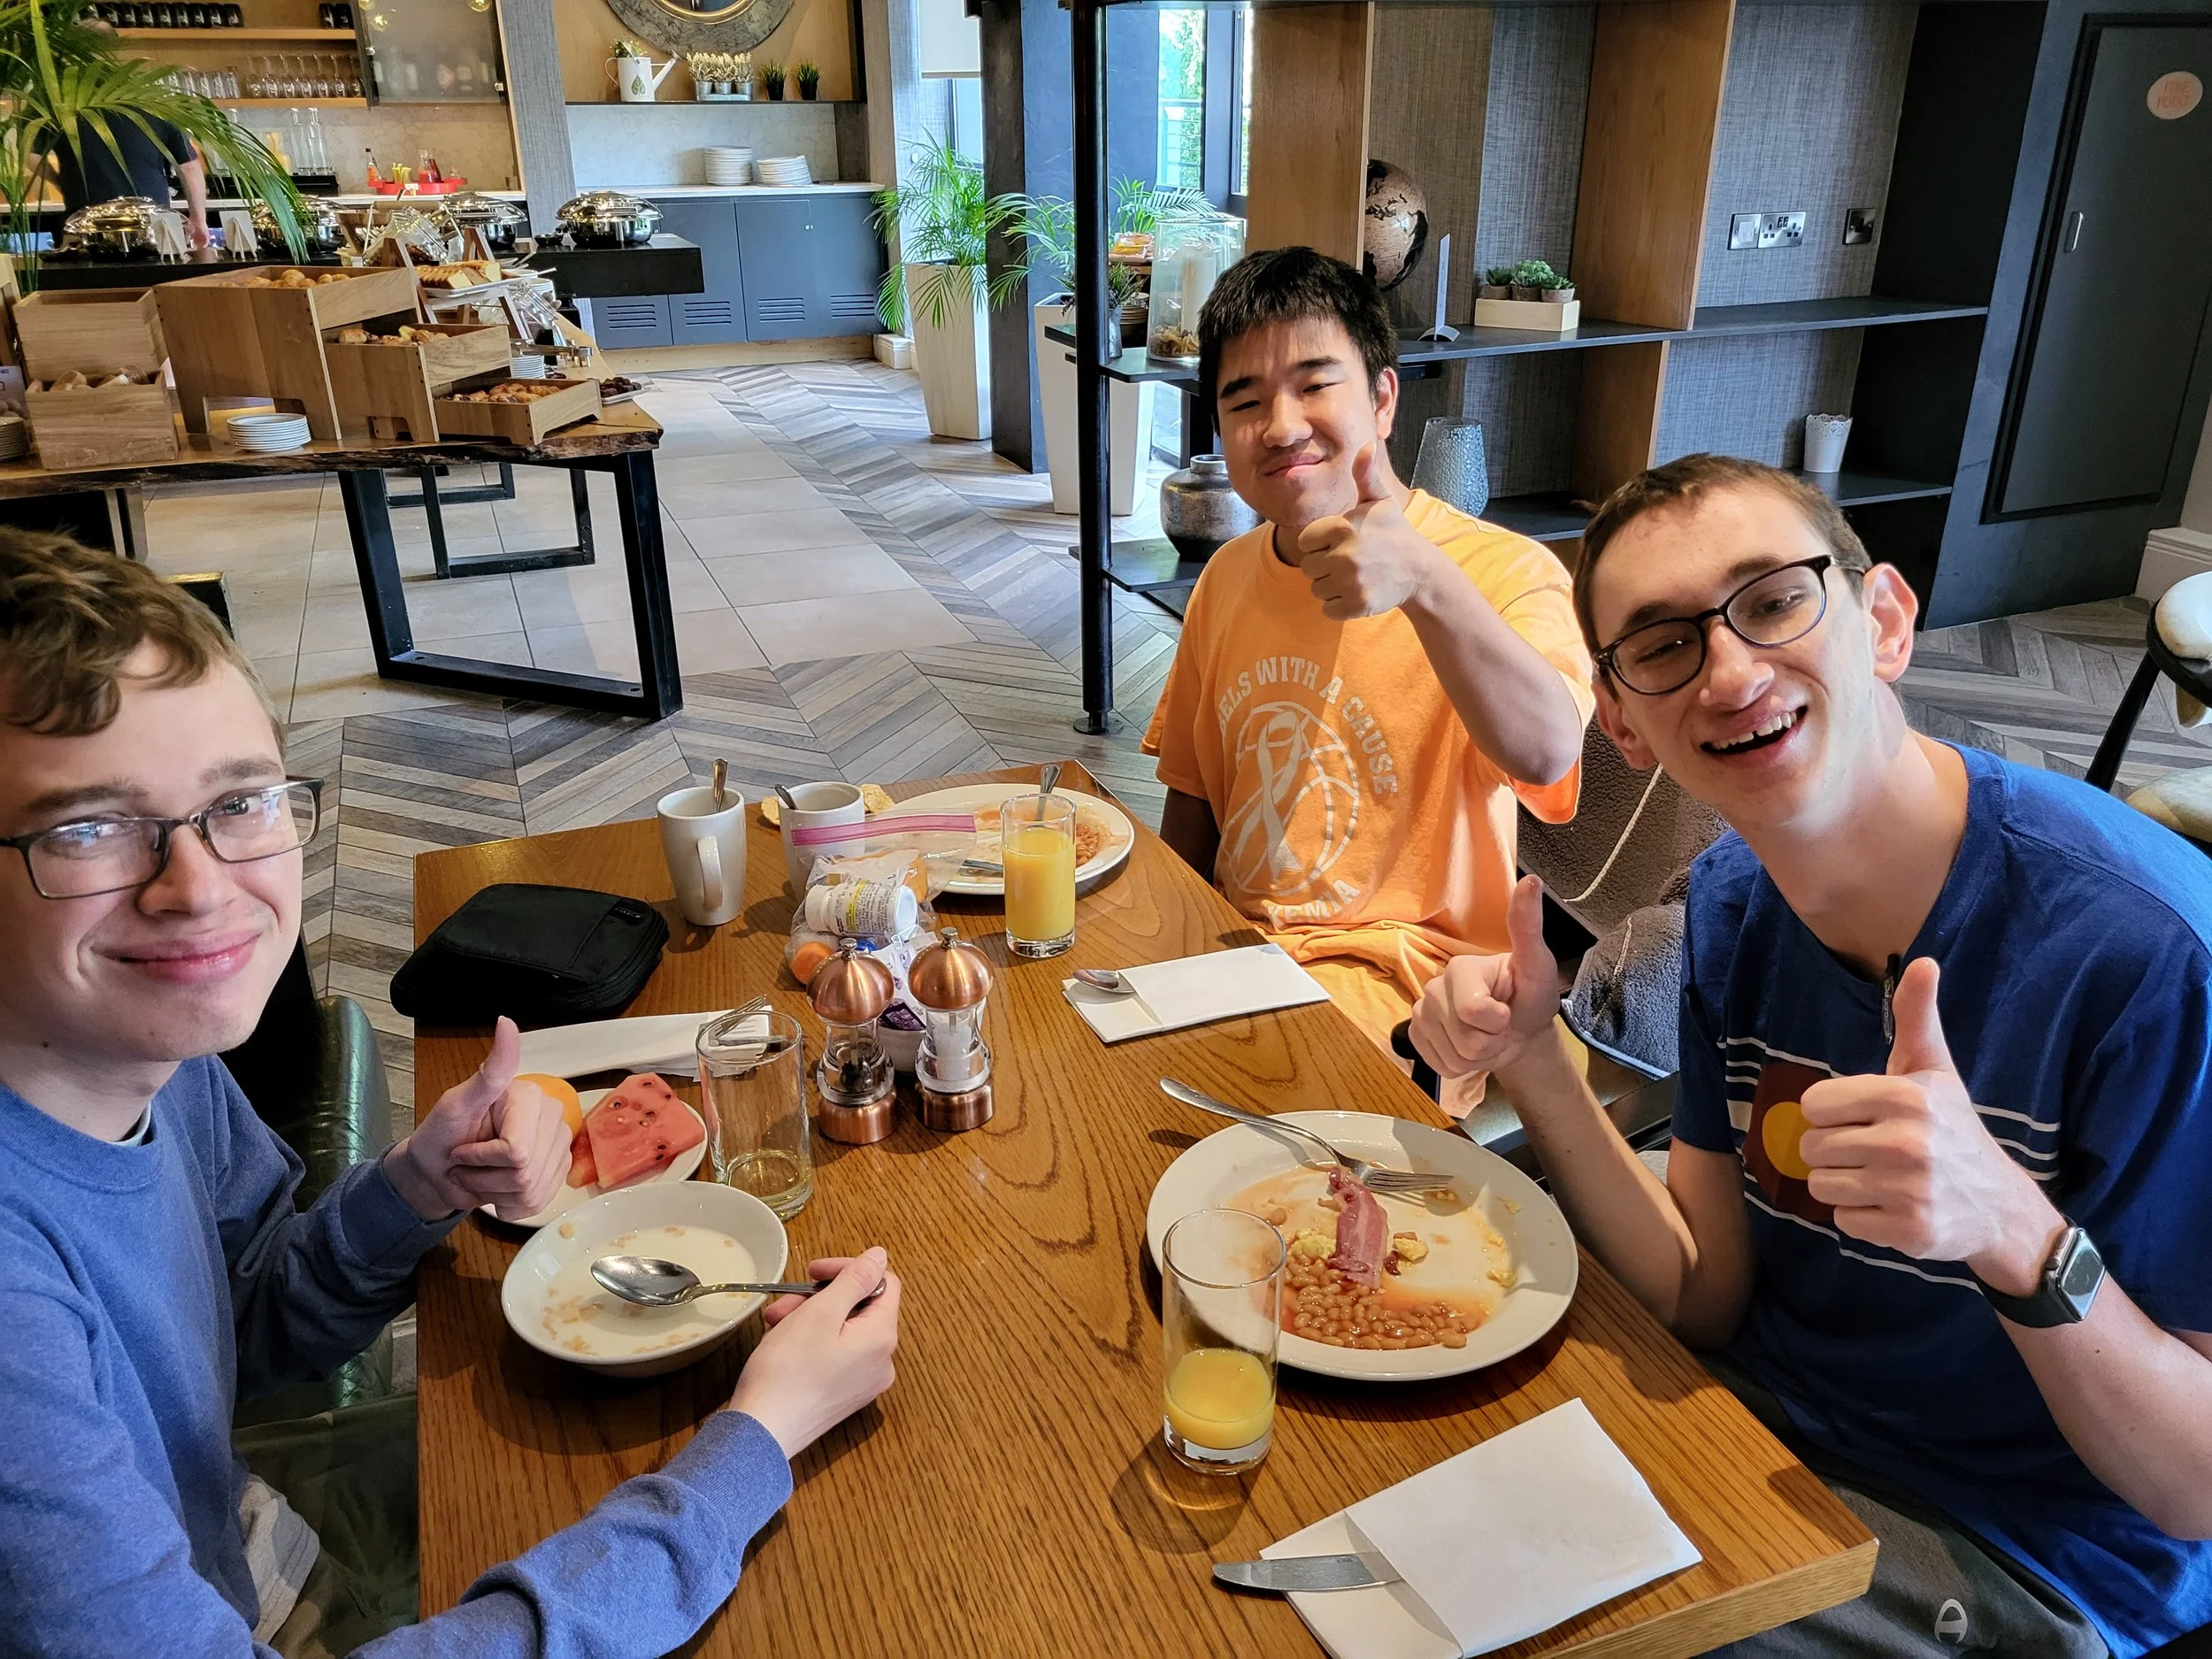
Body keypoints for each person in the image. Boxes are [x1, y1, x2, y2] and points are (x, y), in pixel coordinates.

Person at [0, 528, 903, 1656]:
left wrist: (416, 1188)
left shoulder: (147, 1060)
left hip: (237, 1542)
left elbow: (234, 1331)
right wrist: (754, 1442)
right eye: (89, 828)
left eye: (240, 802)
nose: (197, 888)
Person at [1409, 455, 2212, 1657]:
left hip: (2020, 1551)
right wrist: (1530, 1056)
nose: (1731, 670)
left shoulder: (2149, 952)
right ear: (1622, 720)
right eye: (1664, 643)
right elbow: (1702, 1291)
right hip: (1765, 1440)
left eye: (1775, 601)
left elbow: (2195, 1487)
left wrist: (2015, 1232)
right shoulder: (1732, 901)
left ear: (1884, 619)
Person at [1142, 246, 1594, 1064]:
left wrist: (1422, 578)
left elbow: (1548, 747)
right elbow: (1195, 802)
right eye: (1244, 399)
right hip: (1236, 964)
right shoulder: (1228, 577)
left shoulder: (1501, 573)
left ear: (1384, 399)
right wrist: (1169, 956)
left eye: (1316, 384)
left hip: (1412, 993)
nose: (1280, 427)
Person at [37, 113, 213, 249]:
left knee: (90, 293)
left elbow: (31, 156)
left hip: (85, 227)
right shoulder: (154, 107)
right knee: (159, 288)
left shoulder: (63, 110)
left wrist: (58, 181)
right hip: (152, 226)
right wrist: (198, 219)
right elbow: (189, 167)